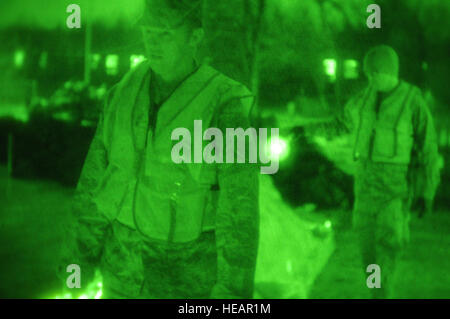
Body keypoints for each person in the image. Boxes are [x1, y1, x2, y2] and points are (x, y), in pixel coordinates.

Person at [61, 0, 259, 299]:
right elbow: (93, 186)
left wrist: (232, 293)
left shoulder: (224, 107)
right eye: (148, 31)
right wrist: (77, 262)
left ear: (195, 37)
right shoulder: (121, 96)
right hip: (119, 276)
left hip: (187, 283)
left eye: (165, 33)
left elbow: (239, 213)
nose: (153, 41)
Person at [342, 45, 440, 298]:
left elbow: (429, 149)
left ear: (383, 72)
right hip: (364, 195)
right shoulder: (364, 99)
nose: (369, 80)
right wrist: (303, 132)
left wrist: (427, 191)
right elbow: (340, 123)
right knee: (369, 262)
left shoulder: (412, 100)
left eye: (372, 75)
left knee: (385, 261)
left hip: (393, 196)